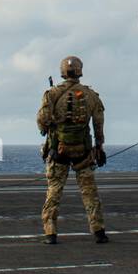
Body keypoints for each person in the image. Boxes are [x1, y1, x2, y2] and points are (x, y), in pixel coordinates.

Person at [37, 56, 107, 245]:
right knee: (89, 192)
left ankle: (50, 233)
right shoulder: (90, 95)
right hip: (83, 152)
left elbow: (42, 121)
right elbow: (98, 123)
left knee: (54, 191)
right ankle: (98, 230)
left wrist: (50, 125)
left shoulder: (51, 94)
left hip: (58, 151)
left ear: (62, 71)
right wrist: (99, 146)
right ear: (79, 71)